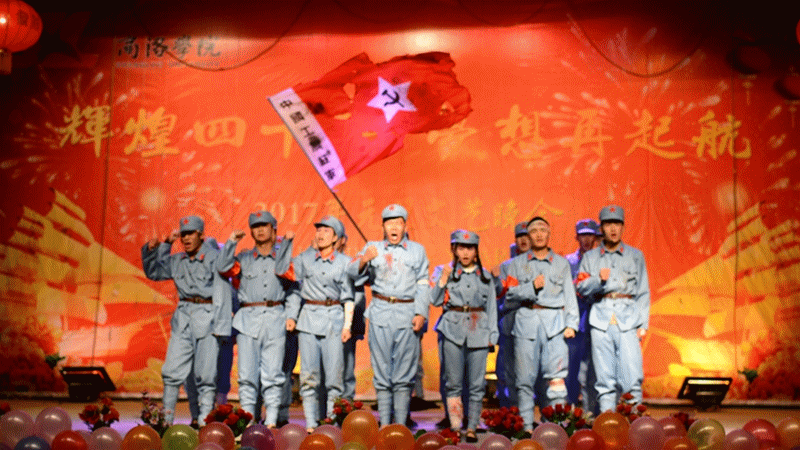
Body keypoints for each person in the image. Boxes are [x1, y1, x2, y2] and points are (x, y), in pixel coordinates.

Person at [141, 215, 232, 426]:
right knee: (171, 372)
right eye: (183, 235)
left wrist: (222, 327)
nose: (186, 238)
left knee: (206, 376)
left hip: (208, 319)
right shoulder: (178, 260)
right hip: (183, 319)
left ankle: (204, 422)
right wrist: (161, 246)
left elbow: (223, 292)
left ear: (201, 235)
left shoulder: (214, 258)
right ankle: (166, 421)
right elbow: (154, 272)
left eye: (190, 234)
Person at [350, 204, 430, 426]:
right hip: (380, 314)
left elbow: (423, 283)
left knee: (404, 376)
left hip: (407, 315)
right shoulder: (372, 247)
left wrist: (421, 312)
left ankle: (401, 425)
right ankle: (385, 425)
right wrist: (364, 260)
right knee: (382, 373)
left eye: (398, 223)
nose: (394, 227)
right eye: (389, 223)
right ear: (383, 227)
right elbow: (351, 273)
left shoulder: (417, 250)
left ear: (405, 226)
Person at [216, 211, 294, 428]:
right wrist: (231, 242)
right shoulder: (243, 258)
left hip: (275, 318)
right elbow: (222, 268)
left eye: (264, 225)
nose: (259, 230)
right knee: (247, 376)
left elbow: (292, 285)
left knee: (273, 375)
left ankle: (271, 421)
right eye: (255, 226)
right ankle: (248, 420)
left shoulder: (282, 257)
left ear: (273, 229)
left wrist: (291, 315)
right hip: (248, 320)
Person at [502, 216, 579, 433]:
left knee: (556, 380)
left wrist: (572, 323)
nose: (538, 235)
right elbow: (510, 295)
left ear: (549, 234)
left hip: (555, 325)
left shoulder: (561, 263)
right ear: (528, 235)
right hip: (525, 323)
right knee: (524, 381)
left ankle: (556, 427)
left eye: (542, 230)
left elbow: (569, 296)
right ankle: (525, 428)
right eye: (534, 231)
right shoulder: (516, 264)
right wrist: (532, 287)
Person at [576, 205, 650, 412]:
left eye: (617, 224)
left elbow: (643, 291)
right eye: (608, 224)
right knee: (604, 380)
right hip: (600, 320)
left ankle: (635, 421)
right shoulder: (590, 258)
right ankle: (608, 423)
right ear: (601, 228)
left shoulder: (635, 256)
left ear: (623, 227)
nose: (613, 229)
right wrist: (598, 280)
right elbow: (581, 287)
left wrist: (643, 324)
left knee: (632, 377)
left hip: (628, 320)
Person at [283, 215, 354, 432]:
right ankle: (311, 423)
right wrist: (287, 244)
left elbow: (348, 296)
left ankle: (331, 423)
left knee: (334, 379)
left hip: (334, 318)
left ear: (336, 238)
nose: (321, 234)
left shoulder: (345, 262)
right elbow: (283, 269)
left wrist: (347, 326)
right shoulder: (306, 259)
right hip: (309, 320)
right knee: (309, 377)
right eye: (319, 230)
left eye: (326, 231)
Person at [431, 230, 498, 443]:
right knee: (453, 382)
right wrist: (442, 280)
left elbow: (492, 307)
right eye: (461, 248)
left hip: (479, 330)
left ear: (476, 251)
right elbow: (434, 300)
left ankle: (471, 427)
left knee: (477, 384)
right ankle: (455, 426)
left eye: (470, 248)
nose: (466, 252)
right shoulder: (444, 271)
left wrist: (493, 334)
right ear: (454, 250)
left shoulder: (485, 276)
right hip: (452, 329)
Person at [492, 222, 531, 408]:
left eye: (526, 236)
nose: (523, 240)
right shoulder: (506, 267)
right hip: (510, 320)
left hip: (532, 320)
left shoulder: (541, 264)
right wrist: (494, 280)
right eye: (519, 236)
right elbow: (500, 294)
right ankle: (508, 408)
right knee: (506, 369)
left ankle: (527, 409)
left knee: (529, 369)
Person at [565, 219, 601, 413]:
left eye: (590, 235)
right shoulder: (569, 262)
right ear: (577, 237)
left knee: (591, 371)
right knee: (571, 369)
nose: (586, 239)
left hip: (596, 320)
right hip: (575, 322)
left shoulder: (601, 259)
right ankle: (568, 412)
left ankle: (590, 412)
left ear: (595, 238)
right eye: (583, 235)